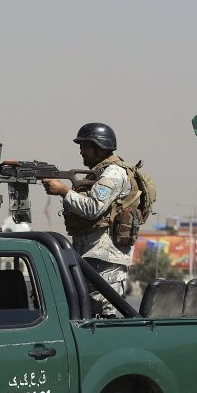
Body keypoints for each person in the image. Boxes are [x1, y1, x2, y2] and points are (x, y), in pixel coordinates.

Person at [41, 122, 138, 317]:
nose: (81, 151)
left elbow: (93, 208)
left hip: (105, 261)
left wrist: (63, 191)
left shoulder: (113, 174)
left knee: (105, 317)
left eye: (84, 146)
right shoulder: (102, 172)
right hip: (91, 256)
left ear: (99, 146)